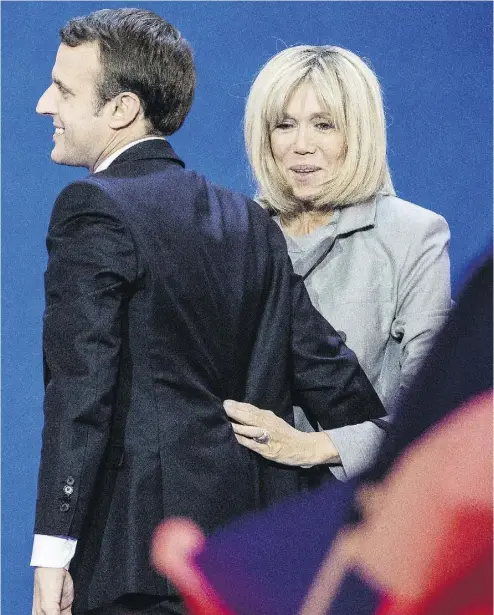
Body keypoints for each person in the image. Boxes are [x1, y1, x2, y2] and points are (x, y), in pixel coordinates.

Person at [31, 10, 385, 615]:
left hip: (139, 568)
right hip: (249, 567)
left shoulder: (91, 208)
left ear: (121, 110)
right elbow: (335, 380)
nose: (44, 104)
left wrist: (52, 554)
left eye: (64, 88)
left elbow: (79, 394)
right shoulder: (248, 221)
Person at [151, 252, 493, 615]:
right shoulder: (248, 226)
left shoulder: (412, 237)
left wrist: (314, 446)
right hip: (257, 514)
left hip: (361, 519)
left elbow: (429, 413)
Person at [224, 45, 451, 479]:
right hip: (247, 505)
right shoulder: (235, 233)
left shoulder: (411, 234)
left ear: (358, 133)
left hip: (353, 509)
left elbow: (434, 407)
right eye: (284, 125)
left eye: (324, 125)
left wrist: (310, 447)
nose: (301, 146)